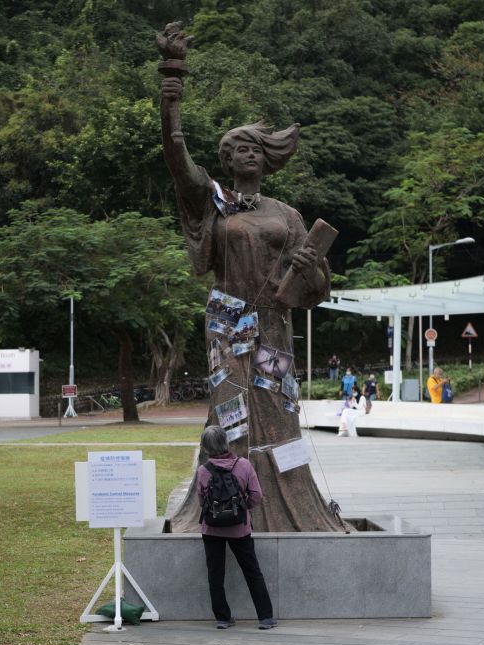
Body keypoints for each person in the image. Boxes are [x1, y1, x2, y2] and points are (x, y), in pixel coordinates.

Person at [158, 24, 344, 533]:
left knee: (278, 408)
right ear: (226, 160)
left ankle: (291, 505)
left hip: (274, 322)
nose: (250, 154)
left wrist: (310, 270)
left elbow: (318, 284)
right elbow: (176, 155)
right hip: (226, 319)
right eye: (239, 148)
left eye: (256, 147)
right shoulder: (213, 204)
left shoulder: (286, 213)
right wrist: (171, 82)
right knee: (229, 411)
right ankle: (219, 503)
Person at [196, 425, 278, 630]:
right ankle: (265, 617)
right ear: (226, 441)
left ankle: (223, 618)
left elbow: (201, 500)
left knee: (215, 573)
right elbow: (257, 496)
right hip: (239, 529)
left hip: (211, 529)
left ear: (205, 447)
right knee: (252, 571)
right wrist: (242, 509)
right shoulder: (244, 465)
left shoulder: (203, 471)